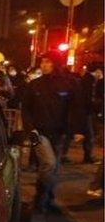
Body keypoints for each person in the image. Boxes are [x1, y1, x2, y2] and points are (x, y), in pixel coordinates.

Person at [21, 53, 82, 212]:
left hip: (59, 133)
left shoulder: (69, 84)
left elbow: (75, 108)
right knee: (49, 163)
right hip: (39, 133)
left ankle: (48, 198)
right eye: (42, 62)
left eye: (48, 62)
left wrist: (77, 130)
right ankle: (41, 198)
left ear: (56, 64)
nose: (44, 65)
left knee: (52, 168)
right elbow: (26, 109)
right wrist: (30, 128)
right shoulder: (34, 85)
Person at [71, 63, 102, 164]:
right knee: (89, 135)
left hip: (84, 110)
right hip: (85, 111)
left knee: (89, 134)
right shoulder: (90, 81)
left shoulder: (86, 79)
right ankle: (88, 157)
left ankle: (88, 156)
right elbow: (88, 98)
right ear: (97, 71)